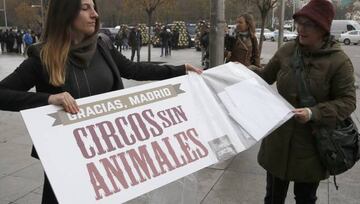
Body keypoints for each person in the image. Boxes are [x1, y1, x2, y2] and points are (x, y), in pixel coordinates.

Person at [0, 0, 202, 203]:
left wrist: (179, 70)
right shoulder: (43, 57)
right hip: (66, 159)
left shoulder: (103, 45)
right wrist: (49, 99)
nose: (95, 14)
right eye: (85, 8)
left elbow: (133, 69)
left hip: (105, 155)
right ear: (65, 13)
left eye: (94, 7)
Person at [252, 0, 356, 203]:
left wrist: (313, 113)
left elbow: (348, 102)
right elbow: (263, 78)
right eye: (299, 22)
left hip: (312, 145)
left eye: (308, 24)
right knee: (273, 198)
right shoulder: (287, 51)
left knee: (305, 198)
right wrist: (240, 71)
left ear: (323, 28)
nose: (300, 29)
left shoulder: (339, 62)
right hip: (278, 141)